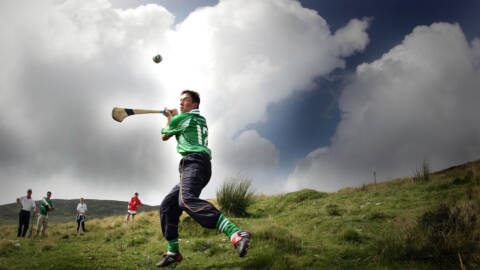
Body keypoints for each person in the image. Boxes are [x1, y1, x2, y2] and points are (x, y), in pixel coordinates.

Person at [156, 90, 251, 267]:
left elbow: (164, 135)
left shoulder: (181, 119)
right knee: (168, 205)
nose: (181, 103)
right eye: (180, 101)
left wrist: (169, 117)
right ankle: (173, 252)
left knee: (186, 200)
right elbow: (181, 123)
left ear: (195, 105)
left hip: (193, 162)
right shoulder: (200, 119)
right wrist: (175, 116)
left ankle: (236, 234)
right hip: (201, 165)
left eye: (185, 100)